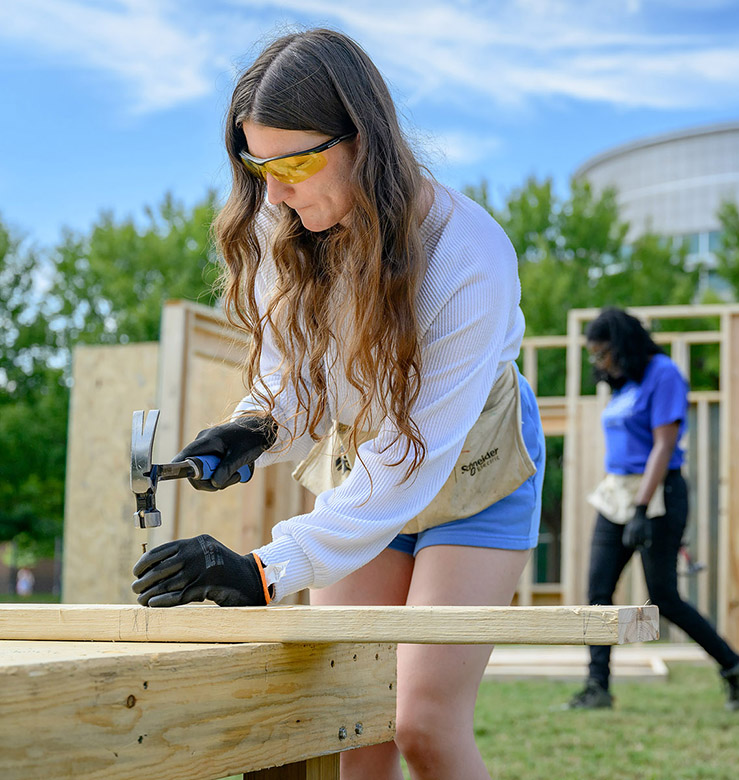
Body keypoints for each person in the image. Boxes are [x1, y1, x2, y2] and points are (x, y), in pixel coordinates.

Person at [129, 29, 545, 780]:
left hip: (471, 469)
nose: (274, 191)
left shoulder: (468, 259)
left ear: (363, 139)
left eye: (293, 164)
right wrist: (255, 428)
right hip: (369, 458)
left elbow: (410, 462)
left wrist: (263, 570)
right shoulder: (283, 220)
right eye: (259, 167)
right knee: (355, 724)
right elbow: (299, 377)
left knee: (422, 723)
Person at [568, 308, 739, 711]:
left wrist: (642, 508)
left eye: (603, 353)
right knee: (598, 591)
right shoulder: (625, 384)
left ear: (622, 345)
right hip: (616, 493)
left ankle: (736, 666)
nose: (600, 362)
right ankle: (597, 687)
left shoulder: (664, 374)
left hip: (656, 493)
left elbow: (663, 443)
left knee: (664, 598)